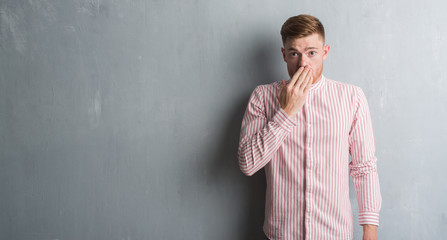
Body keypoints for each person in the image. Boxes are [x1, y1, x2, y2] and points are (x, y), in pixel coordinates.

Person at [237, 14, 382, 240]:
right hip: (281, 234)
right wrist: (286, 113)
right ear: (284, 55)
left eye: (312, 53)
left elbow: (364, 167)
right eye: (294, 53)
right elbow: (248, 164)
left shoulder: (352, 97)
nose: (303, 63)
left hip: (335, 233)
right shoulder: (262, 97)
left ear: (325, 52)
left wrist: (370, 230)